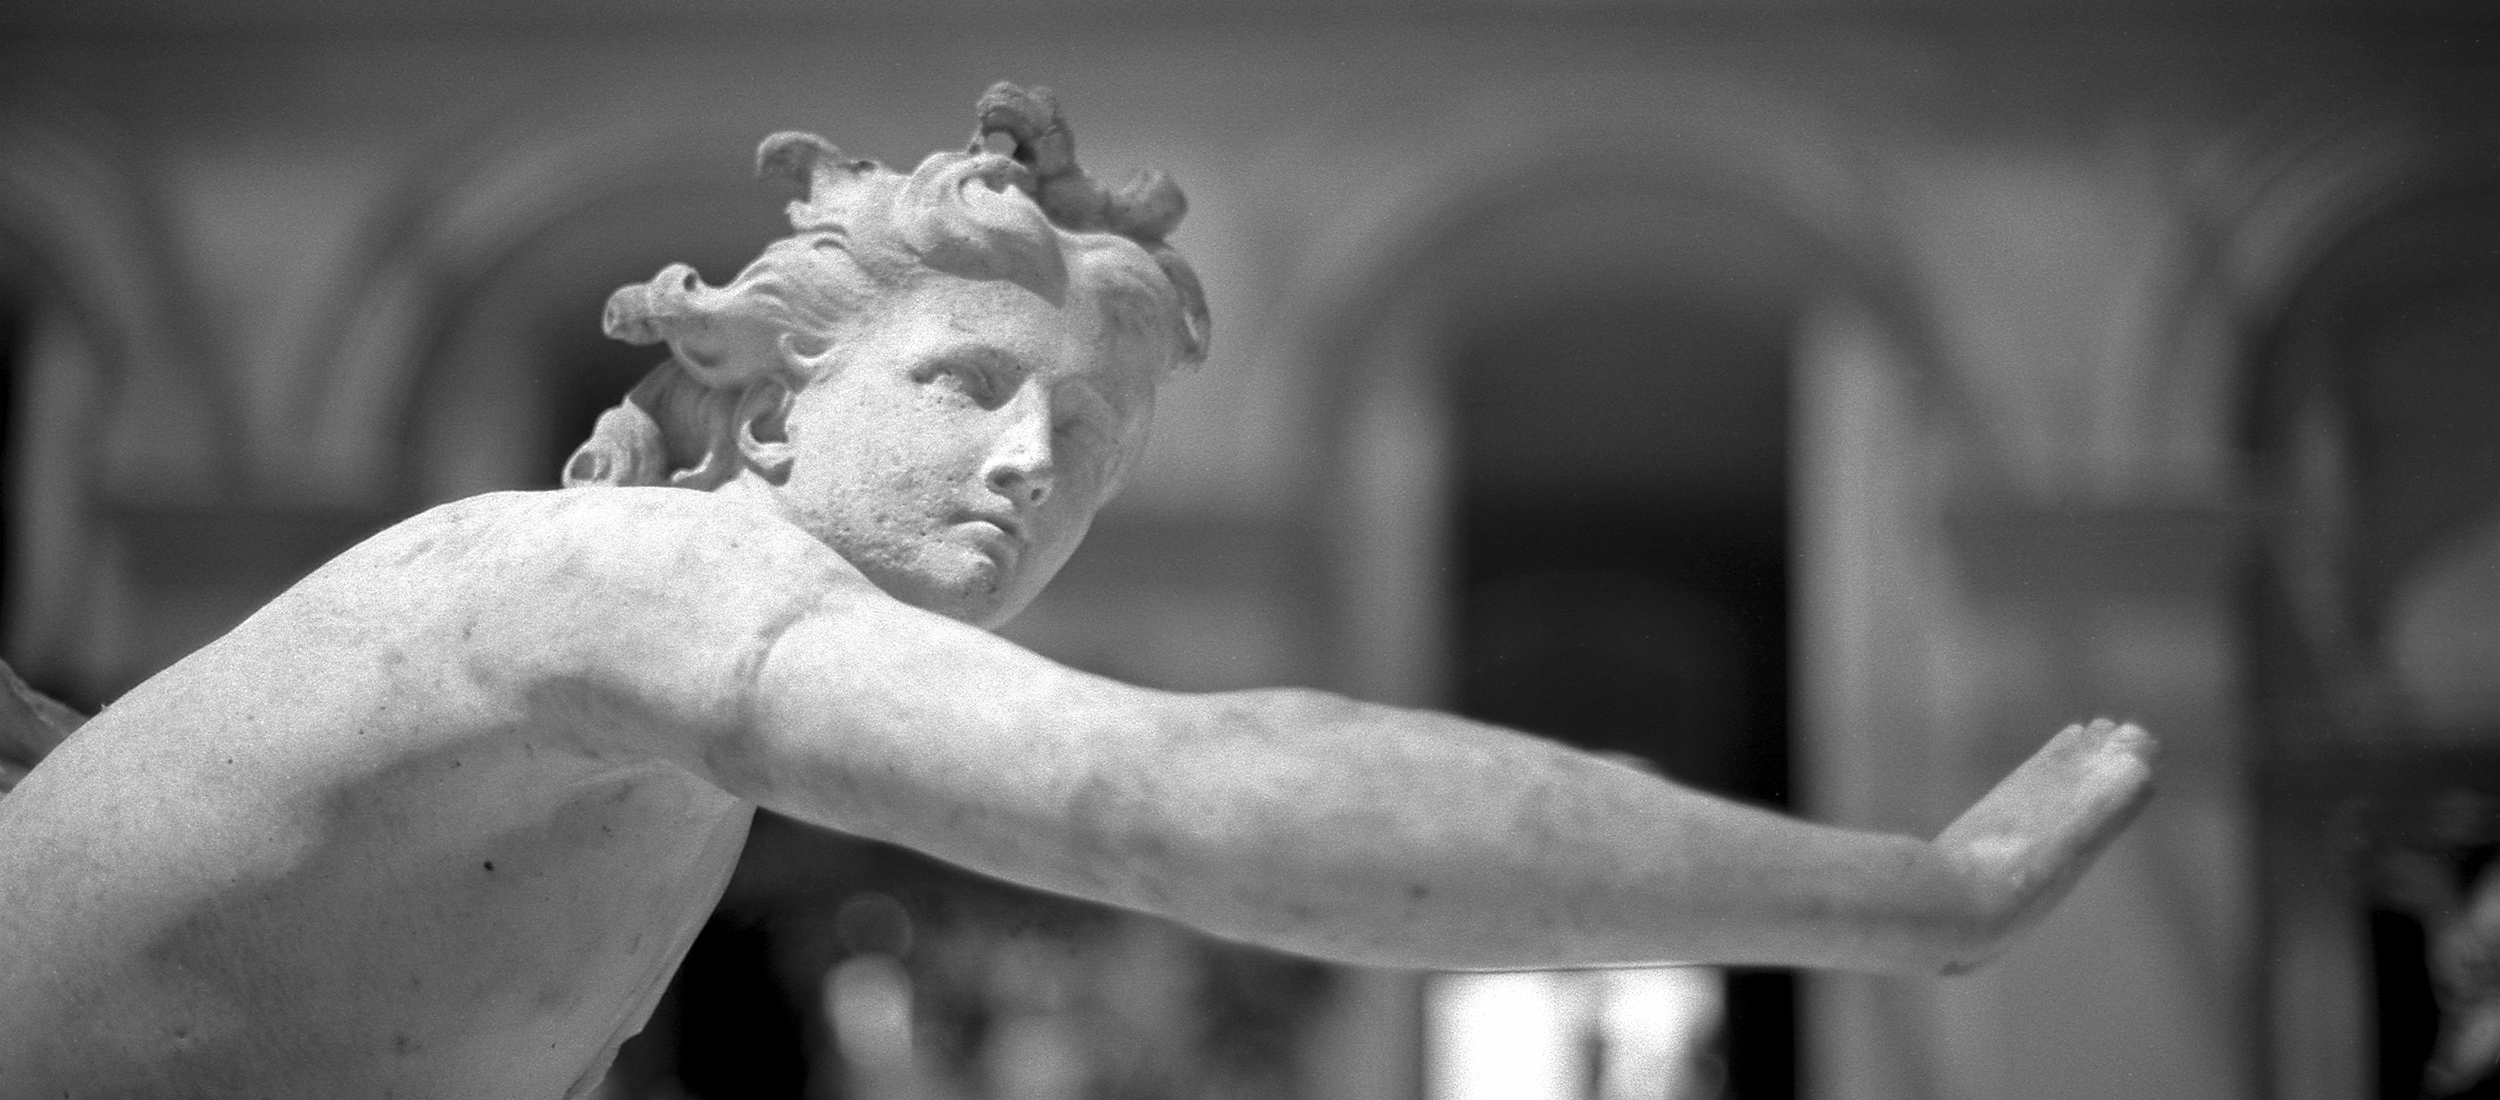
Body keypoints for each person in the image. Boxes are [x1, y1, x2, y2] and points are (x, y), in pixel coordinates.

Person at [0, 84, 2155, 1098]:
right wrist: (1904, 896)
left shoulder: (609, 702)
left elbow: (202, 884)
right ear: (758, 412)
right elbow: (1181, 793)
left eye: (1094, 447)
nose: (1034, 467)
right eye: (965, 387)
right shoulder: (637, 581)